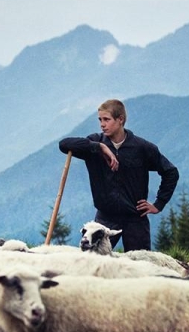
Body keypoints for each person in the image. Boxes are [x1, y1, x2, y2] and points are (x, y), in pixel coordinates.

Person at [59, 99, 179, 252]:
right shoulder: (93, 144)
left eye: (107, 119)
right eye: (100, 120)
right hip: (105, 219)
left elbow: (171, 172)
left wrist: (158, 204)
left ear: (120, 119)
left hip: (136, 218)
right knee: (94, 264)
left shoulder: (141, 148)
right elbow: (64, 144)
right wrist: (100, 147)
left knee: (140, 268)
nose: (102, 124)